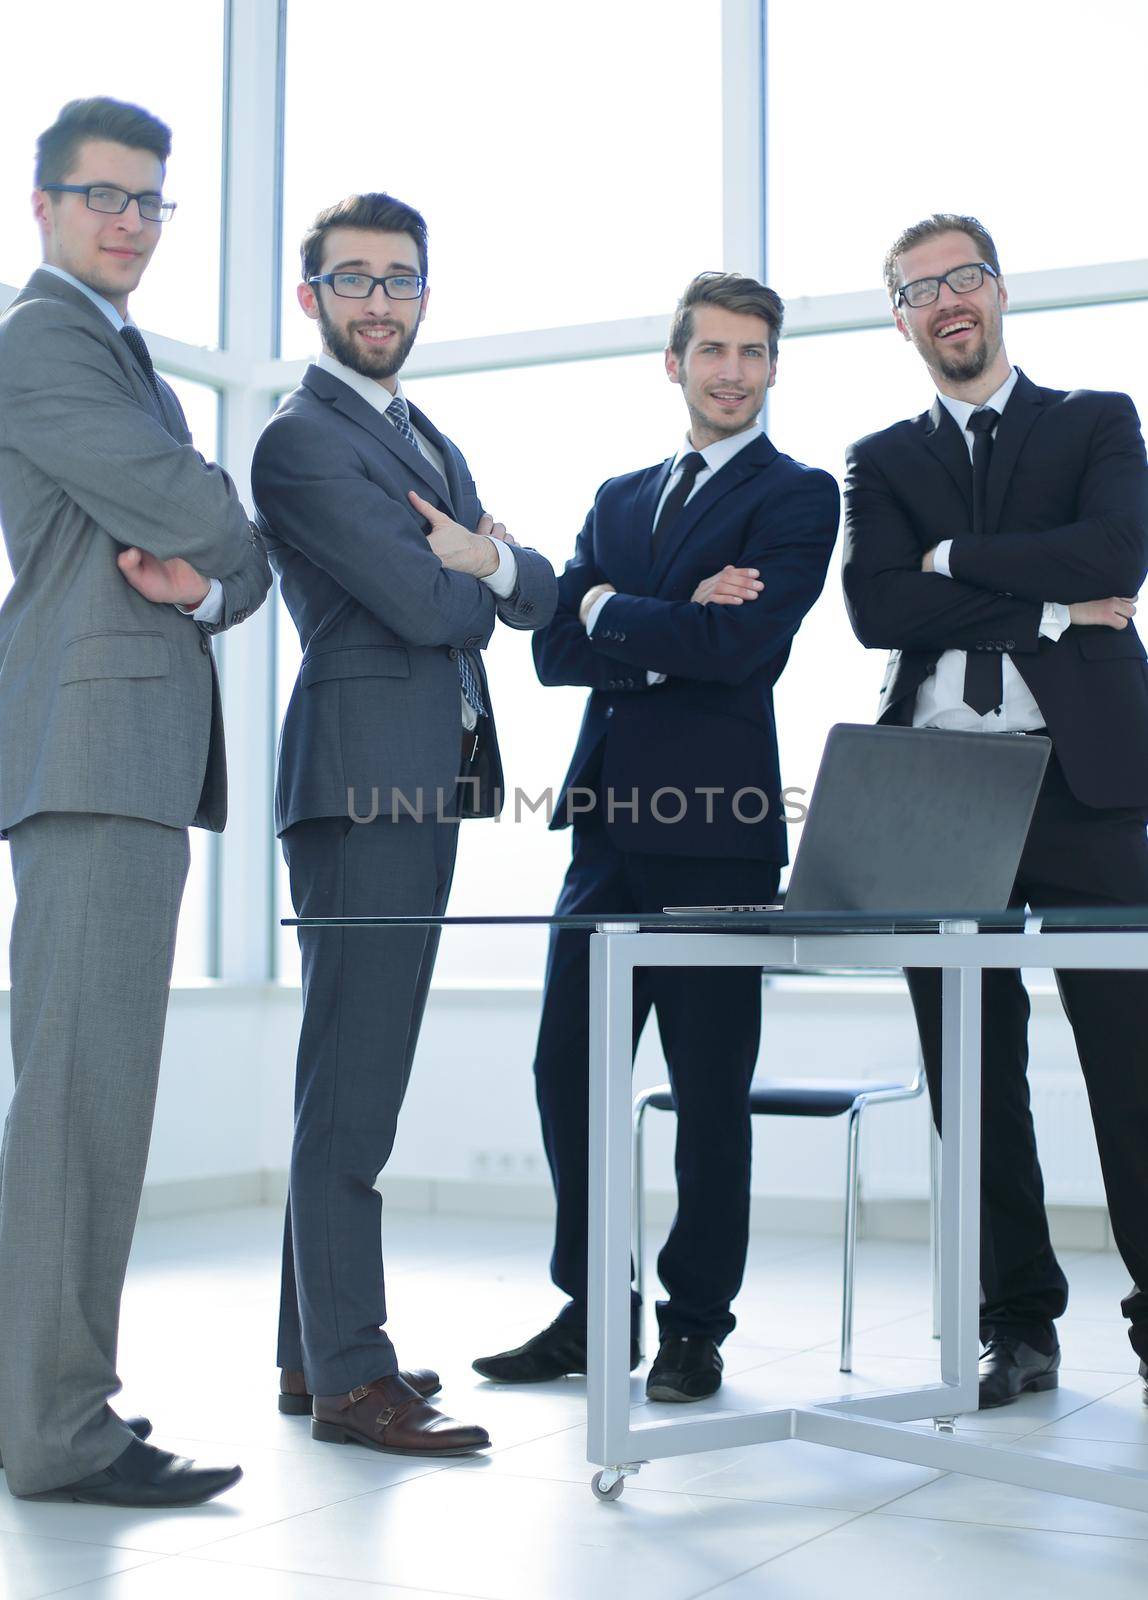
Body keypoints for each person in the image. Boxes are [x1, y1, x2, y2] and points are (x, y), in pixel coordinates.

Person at [474, 271, 840, 1402]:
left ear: (773, 367)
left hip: (716, 838)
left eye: (753, 352)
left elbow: (741, 651)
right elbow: (550, 652)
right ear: (672, 362)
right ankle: (594, 1309)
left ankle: (692, 1326)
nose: (732, 370)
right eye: (712, 350)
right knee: (566, 1073)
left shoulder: (798, 495)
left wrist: (607, 609)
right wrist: (661, 611)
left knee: (705, 1090)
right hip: (601, 831)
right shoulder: (619, 494)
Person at [252, 192, 556, 1457]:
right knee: (355, 1084)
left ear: (424, 297)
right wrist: (474, 570)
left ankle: (306, 1353)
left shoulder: (421, 434)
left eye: (400, 280)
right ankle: (351, 1378)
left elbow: (523, 591)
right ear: (310, 294)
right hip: (360, 776)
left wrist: (477, 563)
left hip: (417, 777)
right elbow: (438, 610)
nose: (379, 300)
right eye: (354, 279)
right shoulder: (300, 441)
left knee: (348, 1068)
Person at [0, 97, 270, 1503]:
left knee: (96, 1097)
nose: (129, 221)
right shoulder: (41, 341)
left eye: (151, 201)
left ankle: (58, 1411)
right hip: (90, 756)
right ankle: (53, 1430)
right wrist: (217, 531)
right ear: (42, 203)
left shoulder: (124, 357)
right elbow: (208, 513)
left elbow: (226, 562)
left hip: (127, 761)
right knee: (77, 1105)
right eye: (103, 195)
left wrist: (211, 569)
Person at [842, 212, 1148, 1408]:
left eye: (961, 277)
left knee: (1130, 1060)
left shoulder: (1094, 420)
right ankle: (1015, 1322)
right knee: (969, 1071)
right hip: (937, 792)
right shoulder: (877, 457)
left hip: (1083, 781)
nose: (945, 301)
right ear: (900, 317)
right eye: (918, 289)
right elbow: (875, 610)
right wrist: (1049, 607)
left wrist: (954, 563)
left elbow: (1117, 550)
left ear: (997, 291)